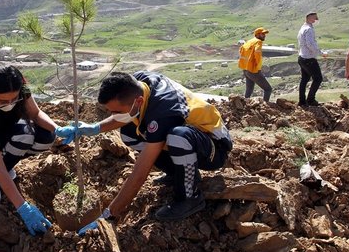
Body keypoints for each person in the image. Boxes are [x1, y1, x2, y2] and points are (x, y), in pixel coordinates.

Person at [75, 71, 233, 233]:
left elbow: (141, 171)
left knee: (179, 137)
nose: (112, 116)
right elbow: (125, 117)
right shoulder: (138, 83)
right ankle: (177, 173)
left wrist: (109, 214)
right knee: (129, 133)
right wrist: (94, 128)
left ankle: (190, 198)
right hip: (192, 140)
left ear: (139, 102)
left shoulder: (163, 111)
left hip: (215, 147)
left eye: (116, 112)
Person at [0, 65, 76, 235]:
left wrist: (57, 129)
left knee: (46, 137)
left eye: (14, 99)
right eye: (3, 101)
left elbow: (35, 114)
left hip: (6, 132)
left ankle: (8, 160)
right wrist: (22, 207)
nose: (10, 104)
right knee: (24, 135)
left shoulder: (20, 86)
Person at [297, 12, 326, 106]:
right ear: (309, 18)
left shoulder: (302, 28)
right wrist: (321, 53)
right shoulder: (309, 29)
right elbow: (310, 44)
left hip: (302, 57)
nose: (316, 20)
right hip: (309, 58)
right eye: (314, 18)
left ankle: (302, 101)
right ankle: (310, 99)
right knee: (318, 78)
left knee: (304, 79)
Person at [238, 27, 272, 102]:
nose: (264, 35)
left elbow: (241, 50)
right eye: (262, 34)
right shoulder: (258, 42)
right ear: (257, 34)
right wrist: (258, 67)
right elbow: (257, 53)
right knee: (268, 89)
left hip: (246, 70)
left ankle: (245, 104)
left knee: (249, 89)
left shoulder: (249, 42)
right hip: (253, 70)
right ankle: (265, 106)